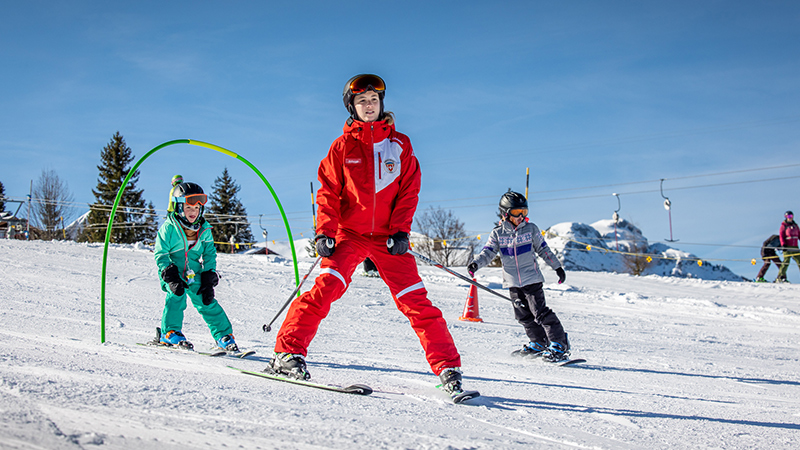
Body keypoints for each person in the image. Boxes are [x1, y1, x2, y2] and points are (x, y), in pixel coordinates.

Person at [270, 74, 467, 397]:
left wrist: (401, 230)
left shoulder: (400, 145)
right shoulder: (342, 146)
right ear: (353, 107)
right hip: (349, 234)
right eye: (362, 101)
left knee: (416, 301)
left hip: (389, 238)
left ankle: (448, 367)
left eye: (374, 100)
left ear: (381, 104)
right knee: (326, 288)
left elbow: (409, 190)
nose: (369, 106)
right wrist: (326, 232)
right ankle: (287, 353)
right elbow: (328, 192)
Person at [467, 190, 570, 362]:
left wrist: (557, 267)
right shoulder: (498, 233)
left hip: (532, 279)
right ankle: (538, 342)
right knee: (523, 315)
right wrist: (476, 263)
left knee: (540, 312)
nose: (521, 217)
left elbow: (544, 249)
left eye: (524, 212)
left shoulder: (531, 230)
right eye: (516, 213)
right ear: (505, 214)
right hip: (513, 282)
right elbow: (488, 252)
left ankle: (559, 343)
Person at [154, 181, 239, 352]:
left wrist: (209, 273)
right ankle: (170, 332)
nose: (193, 212)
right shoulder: (169, 228)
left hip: (194, 270)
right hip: (172, 269)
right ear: (179, 208)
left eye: (197, 208)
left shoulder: (204, 229)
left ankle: (223, 335)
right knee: (176, 295)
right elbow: (161, 254)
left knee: (206, 299)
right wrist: (169, 274)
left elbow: (209, 253)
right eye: (188, 208)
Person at [776, 210, 800, 283]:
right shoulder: (784, 226)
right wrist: (783, 244)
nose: (790, 218)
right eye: (789, 216)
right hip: (787, 246)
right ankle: (780, 277)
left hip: (795, 246)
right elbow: (781, 236)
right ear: (786, 217)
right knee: (786, 261)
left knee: (799, 261)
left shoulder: (795, 225)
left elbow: (799, 234)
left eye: (791, 216)